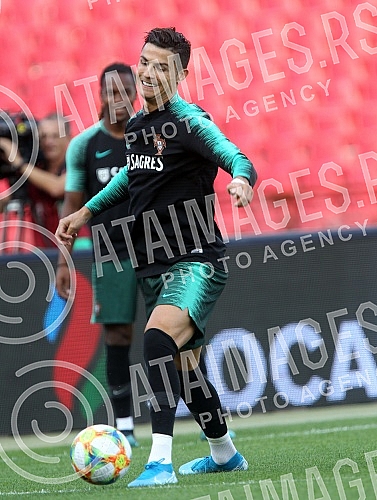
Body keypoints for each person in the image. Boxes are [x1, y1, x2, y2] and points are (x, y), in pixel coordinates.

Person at [55, 27, 257, 488]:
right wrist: (85, 210)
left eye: (160, 66)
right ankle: (224, 454)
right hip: (153, 264)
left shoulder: (190, 123)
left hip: (195, 261)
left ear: (181, 74)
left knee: (157, 341)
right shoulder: (140, 125)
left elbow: (235, 155)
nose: (147, 72)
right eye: (144, 61)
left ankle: (160, 462)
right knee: (188, 369)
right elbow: (132, 174)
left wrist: (242, 179)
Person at [55, 63, 139, 447]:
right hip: (112, 254)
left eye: (125, 90)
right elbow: (72, 205)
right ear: (100, 95)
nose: (117, 98)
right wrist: (63, 261)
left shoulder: (151, 137)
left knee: (178, 331)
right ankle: (125, 426)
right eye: (110, 91)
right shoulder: (85, 146)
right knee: (118, 335)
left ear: (136, 93)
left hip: (161, 248)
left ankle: (207, 416)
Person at [0, 114, 70, 248]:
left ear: (68, 138)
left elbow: (57, 187)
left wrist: (18, 162)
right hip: (48, 255)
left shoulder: (78, 163)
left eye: (55, 136)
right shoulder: (36, 173)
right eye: (43, 137)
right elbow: (6, 202)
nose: (48, 142)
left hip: (81, 250)